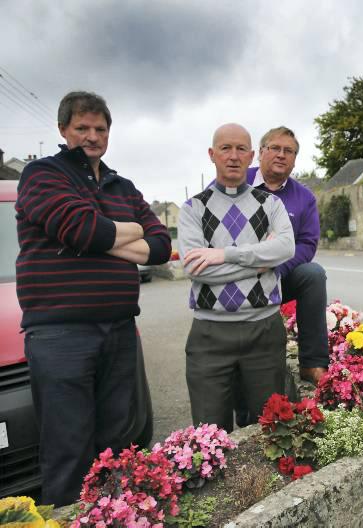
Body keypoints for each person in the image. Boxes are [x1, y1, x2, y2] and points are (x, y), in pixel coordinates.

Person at [15, 91, 171, 506]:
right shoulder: (42, 175)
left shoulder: (123, 185)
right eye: (82, 127)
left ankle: (117, 516)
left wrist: (102, 235)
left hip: (119, 330)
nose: (91, 136)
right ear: (63, 130)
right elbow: (84, 230)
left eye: (100, 129)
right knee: (69, 450)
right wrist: (117, 231)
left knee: (119, 448)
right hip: (61, 335)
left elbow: (159, 245)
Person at [178, 123, 294, 434]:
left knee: (270, 431)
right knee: (210, 437)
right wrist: (259, 261)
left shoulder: (271, 203)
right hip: (209, 335)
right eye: (225, 148)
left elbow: (286, 247)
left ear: (251, 155)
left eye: (241, 149)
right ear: (211, 154)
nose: (233, 156)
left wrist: (223, 254)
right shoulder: (192, 209)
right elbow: (195, 269)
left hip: (264, 332)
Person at [231, 126, 328, 426]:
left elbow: (308, 244)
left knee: (313, 275)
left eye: (289, 151)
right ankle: (243, 414)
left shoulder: (303, 197)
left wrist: (275, 268)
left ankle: (312, 363)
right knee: (245, 347)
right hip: (236, 279)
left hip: (279, 276)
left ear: (295, 160)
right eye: (274, 148)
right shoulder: (235, 181)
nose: (281, 155)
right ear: (259, 153)